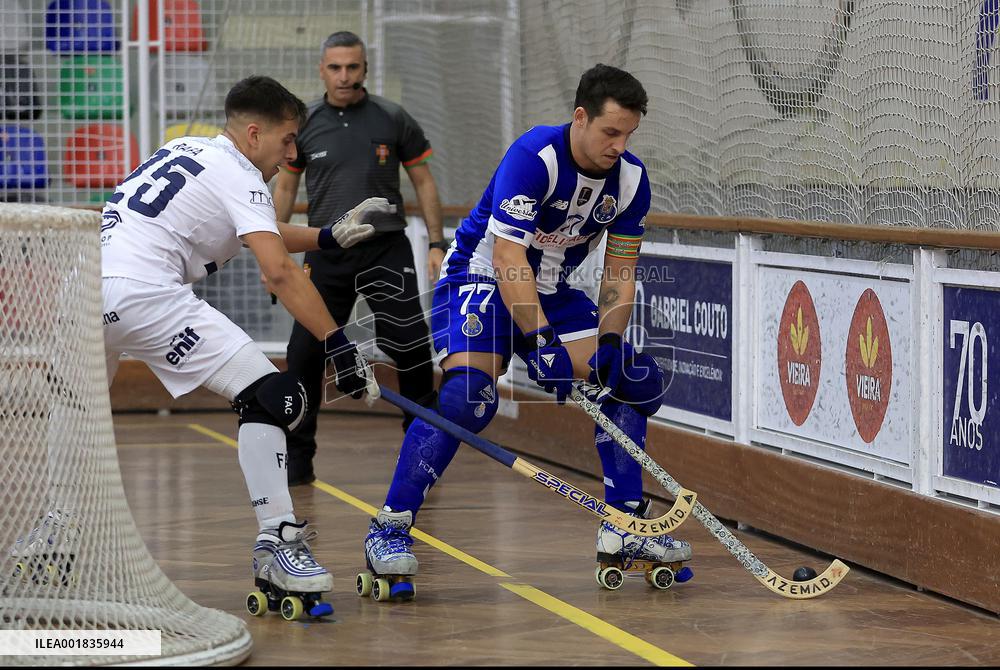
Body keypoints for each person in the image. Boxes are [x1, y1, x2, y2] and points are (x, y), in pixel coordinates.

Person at [361, 64, 692, 598]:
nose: (619, 145)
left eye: (629, 134)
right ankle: (391, 526)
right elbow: (510, 257)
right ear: (580, 118)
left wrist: (607, 342)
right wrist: (540, 340)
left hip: (555, 289)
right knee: (469, 398)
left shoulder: (631, 180)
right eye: (610, 132)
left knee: (624, 377)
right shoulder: (535, 156)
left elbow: (620, 271)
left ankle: (624, 524)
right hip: (484, 277)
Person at [98, 75, 388, 614]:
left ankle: (53, 541)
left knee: (78, 418)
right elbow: (278, 271)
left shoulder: (185, 148)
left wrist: (325, 235)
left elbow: (255, 228)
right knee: (270, 395)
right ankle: (278, 541)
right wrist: (339, 344)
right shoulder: (239, 173)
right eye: (286, 140)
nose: (291, 154)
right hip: (145, 294)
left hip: (88, 292)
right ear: (254, 134)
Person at [273, 31, 446, 487]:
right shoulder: (304, 123)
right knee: (305, 352)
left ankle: (423, 449)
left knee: (410, 344)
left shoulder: (393, 118)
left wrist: (435, 242)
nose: (344, 76)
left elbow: (424, 183)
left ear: (365, 69)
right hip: (326, 251)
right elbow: (287, 188)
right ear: (321, 70)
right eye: (335, 67)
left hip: (385, 249)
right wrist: (275, 252)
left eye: (353, 67)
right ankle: (299, 457)